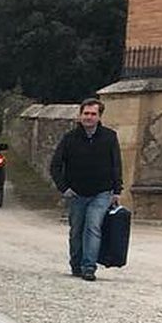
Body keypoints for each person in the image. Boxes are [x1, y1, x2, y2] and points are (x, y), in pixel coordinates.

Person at [50, 98, 124, 281]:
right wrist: (64, 188)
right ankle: (76, 265)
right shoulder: (69, 138)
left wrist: (117, 190)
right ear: (80, 115)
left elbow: (116, 164)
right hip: (76, 193)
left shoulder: (109, 137)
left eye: (93, 114)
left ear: (99, 117)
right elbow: (55, 165)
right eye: (86, 113)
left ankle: (89, 267)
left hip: (102, 192)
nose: (89, 117)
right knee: (76, 231)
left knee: (93, 227)